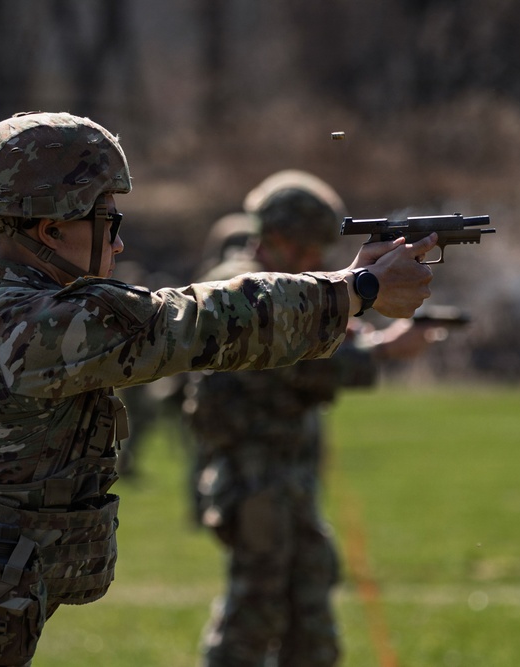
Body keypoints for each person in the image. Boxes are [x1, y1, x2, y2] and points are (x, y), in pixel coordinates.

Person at [0, 111, 436, 667]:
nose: (119, 242)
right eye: (108, 221)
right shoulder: (41, 327)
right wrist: (356, 290)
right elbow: (195, 323)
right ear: (51, 227)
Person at [186, 170, 440, 667]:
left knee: (310, 617)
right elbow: (303, 364)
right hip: (254, 479)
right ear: (281, 240)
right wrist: (382, 351)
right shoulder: (237, 285)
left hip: (285, 475)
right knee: (253, 617)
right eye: (309, 251)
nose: (317, 263)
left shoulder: (278, 286)